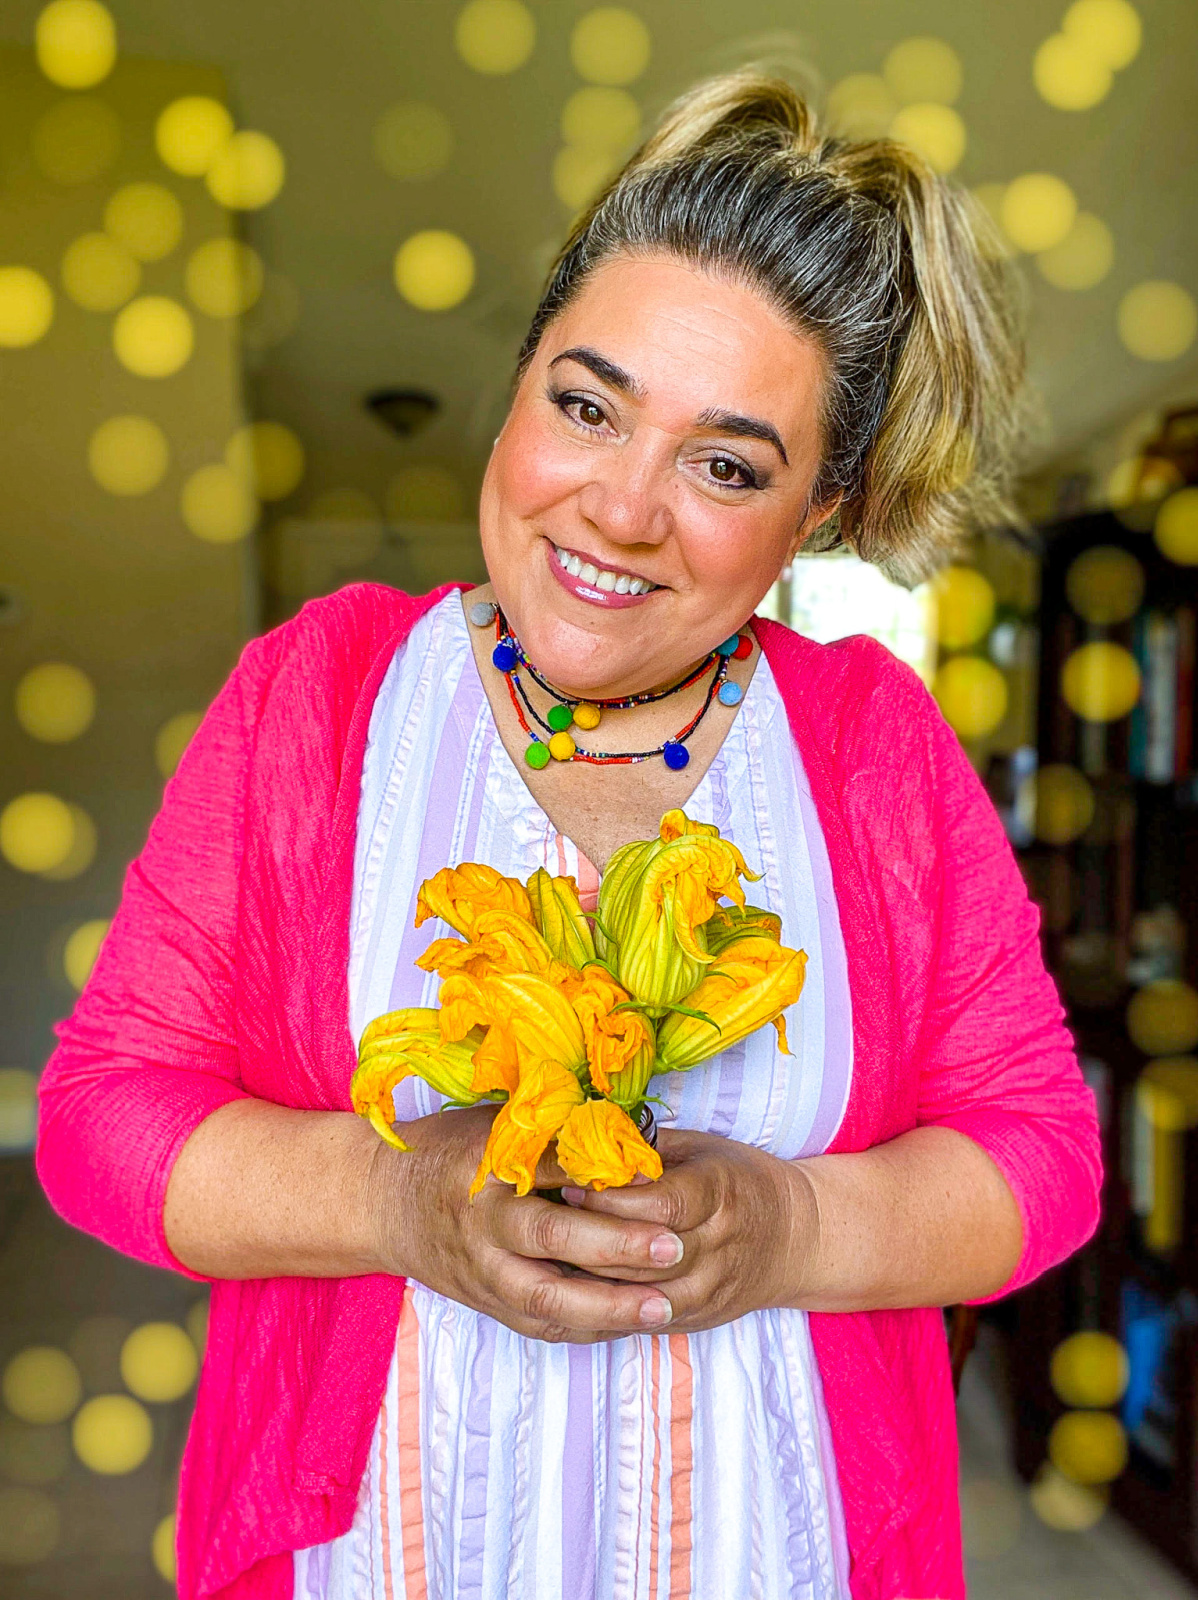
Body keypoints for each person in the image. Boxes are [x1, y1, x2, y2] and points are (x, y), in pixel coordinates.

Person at [36, 71, 1101, 1600]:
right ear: (522, 376)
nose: (619, 509)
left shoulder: (874, 744)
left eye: (726, 464)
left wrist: (788, 1223)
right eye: (585, 405)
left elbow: (1044, 1153)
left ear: (818, 511)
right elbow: (99, 1120)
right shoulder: (318, 695)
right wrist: (401, 1198)